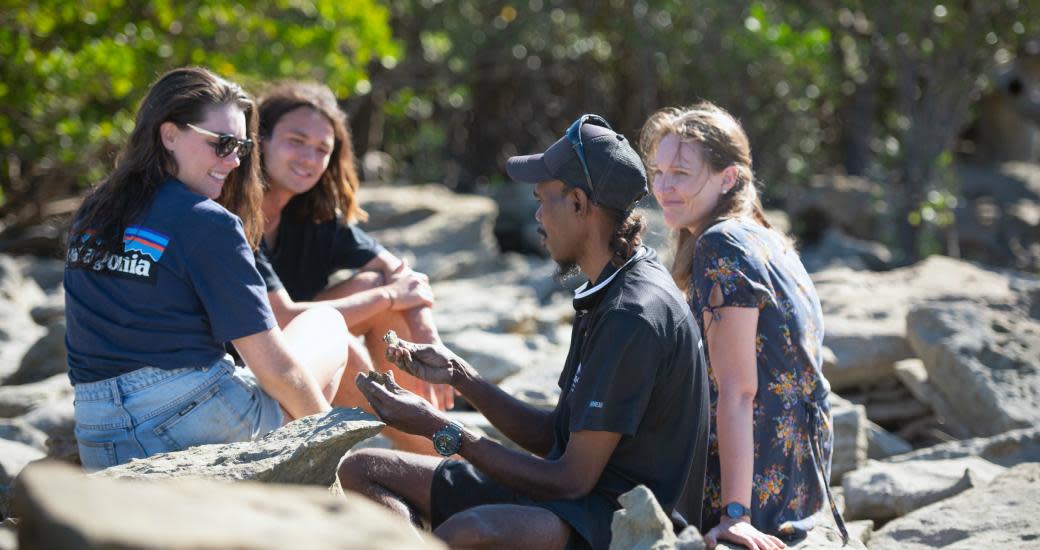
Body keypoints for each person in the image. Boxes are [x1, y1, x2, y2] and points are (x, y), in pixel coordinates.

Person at [336, 114, 710, 549]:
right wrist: (461, 376)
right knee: (364, 470)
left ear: (577, 203)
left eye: (541, 198)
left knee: (469, 531)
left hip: (617, 524)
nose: (535, 214)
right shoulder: (612, 284)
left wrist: (441, 428)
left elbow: (570, 480)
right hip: (575, 501)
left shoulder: (632, 314)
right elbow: (556, 436)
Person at [65, 67, 349, 472]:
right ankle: (304, 481)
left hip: (97, 430)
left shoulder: (95, 209)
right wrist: (330, 445)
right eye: (222, 144)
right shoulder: (207, 221)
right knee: (327, 323)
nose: (234, 160)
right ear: (169, 135)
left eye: (241, 146)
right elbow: (276, 369)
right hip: (189, 423)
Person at [640, 102, 846, 549]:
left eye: (680, 173)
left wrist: (737, 515)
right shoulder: (768, 239)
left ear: (727, 178)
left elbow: (738, 390)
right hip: (800, 470)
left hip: (758, 475)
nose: (663, 187)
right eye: (657, 172)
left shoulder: (721, 245)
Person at [254, 81, 453, 454]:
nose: (309, 159)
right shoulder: (234, 214)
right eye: (296, 141)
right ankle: (435, 447)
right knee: (353, 323)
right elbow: (278, 318)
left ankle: (432, 445)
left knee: (377, 286)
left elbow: (401, 275)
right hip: (249, 366)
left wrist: (428, 338)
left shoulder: (313, 216)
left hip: (298, 349)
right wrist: (390, 295)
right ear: (260, 139)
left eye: (321, 150)